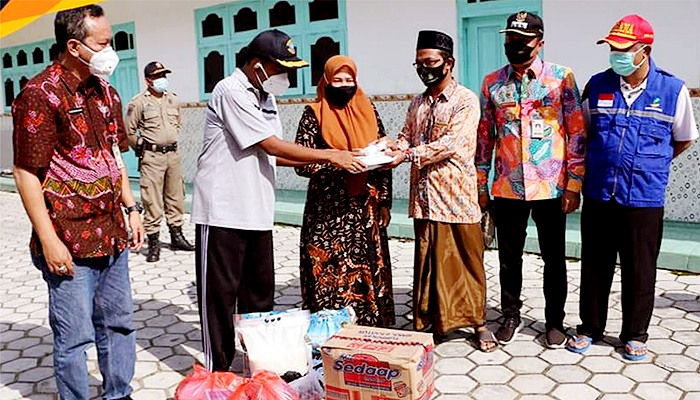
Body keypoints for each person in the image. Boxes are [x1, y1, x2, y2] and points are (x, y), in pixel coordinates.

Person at [191, 29, 360, 372]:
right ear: (257, 65)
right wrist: (332, 156)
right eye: (281, 68)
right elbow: (270, 145)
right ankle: (217, 371)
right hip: (222, 210)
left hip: (256, 209)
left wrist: (339, 158)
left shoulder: (264, 96)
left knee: (259, 297)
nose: (286, 77)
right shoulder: (231, 90)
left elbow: (275, 154)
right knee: (220, 298)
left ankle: (260, 366)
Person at [12, 5, 144, 399]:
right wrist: (48, 239)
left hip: (113, 234)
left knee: (119, 324)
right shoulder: (39, 95)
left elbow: (114, 156)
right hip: (68, 240)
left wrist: (132, 207)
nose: (111, 50)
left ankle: (118, 393)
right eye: (103, 43)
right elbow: (26, 173)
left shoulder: (106, 91)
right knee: (74, 339)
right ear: (74, 45)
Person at [566, 15, 698, 361]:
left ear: (645, 51)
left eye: (624, 49)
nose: (616, 54)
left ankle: (635, 334)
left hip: (644, 197)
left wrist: (649, 164)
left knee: (640, 269)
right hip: (599, 193)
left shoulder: (672, 90)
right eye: (612, 48)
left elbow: (682, 139)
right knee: (595, 266)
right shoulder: (597, 85)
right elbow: (585, 134)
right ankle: (589, 328)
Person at [476, 11, 586, 348]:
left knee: (554, 257)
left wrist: (574, 184)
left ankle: (555, 321)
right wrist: (481, 182)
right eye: (510, 39)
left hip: (551, 187)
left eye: (523, 40)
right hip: (507, 186)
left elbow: (577, 133)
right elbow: (485, 136)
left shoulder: (560, 79)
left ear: (539, 43)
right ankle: (510, 314)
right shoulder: (492, 82)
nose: (515, 45)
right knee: (509, 258)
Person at [384, 30, 497, 351]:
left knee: (467, 261)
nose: (424, 69)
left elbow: (453, 144)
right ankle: (432, 320)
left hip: (456, 196)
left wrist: (406, 154)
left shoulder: (466, 100)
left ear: (449, 63)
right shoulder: (418, 102)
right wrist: (390, 148)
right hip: (424, 198)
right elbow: (407, 134)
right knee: (428, 262)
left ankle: (478, 322)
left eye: (430, 62)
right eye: (419, 63)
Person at [295, 55, 395, 327]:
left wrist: (385, 200)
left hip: (365, 206)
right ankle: (329, 329)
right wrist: (336, 161)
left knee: (368, 266)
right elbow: (301, 162)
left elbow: (384, 155)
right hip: (327, 210)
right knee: (327, 268)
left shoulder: (368, 109)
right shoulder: (313, 113)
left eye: (349, 80)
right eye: (337, 80)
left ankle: (371, 327)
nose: (344, 85)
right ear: (326, 81)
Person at [126, 61, 194, 262]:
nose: (162, 80)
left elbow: (178, 124)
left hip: (173, 156)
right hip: (152, 158)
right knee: (152, 199)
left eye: (164, 75)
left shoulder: (173, 100)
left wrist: (169, 140)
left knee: (176, 196)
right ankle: (154, 242)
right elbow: (129, 131)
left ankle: (177, 236)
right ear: (148, 80)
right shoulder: (138, 103)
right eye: (157, 76)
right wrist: (142, 148)